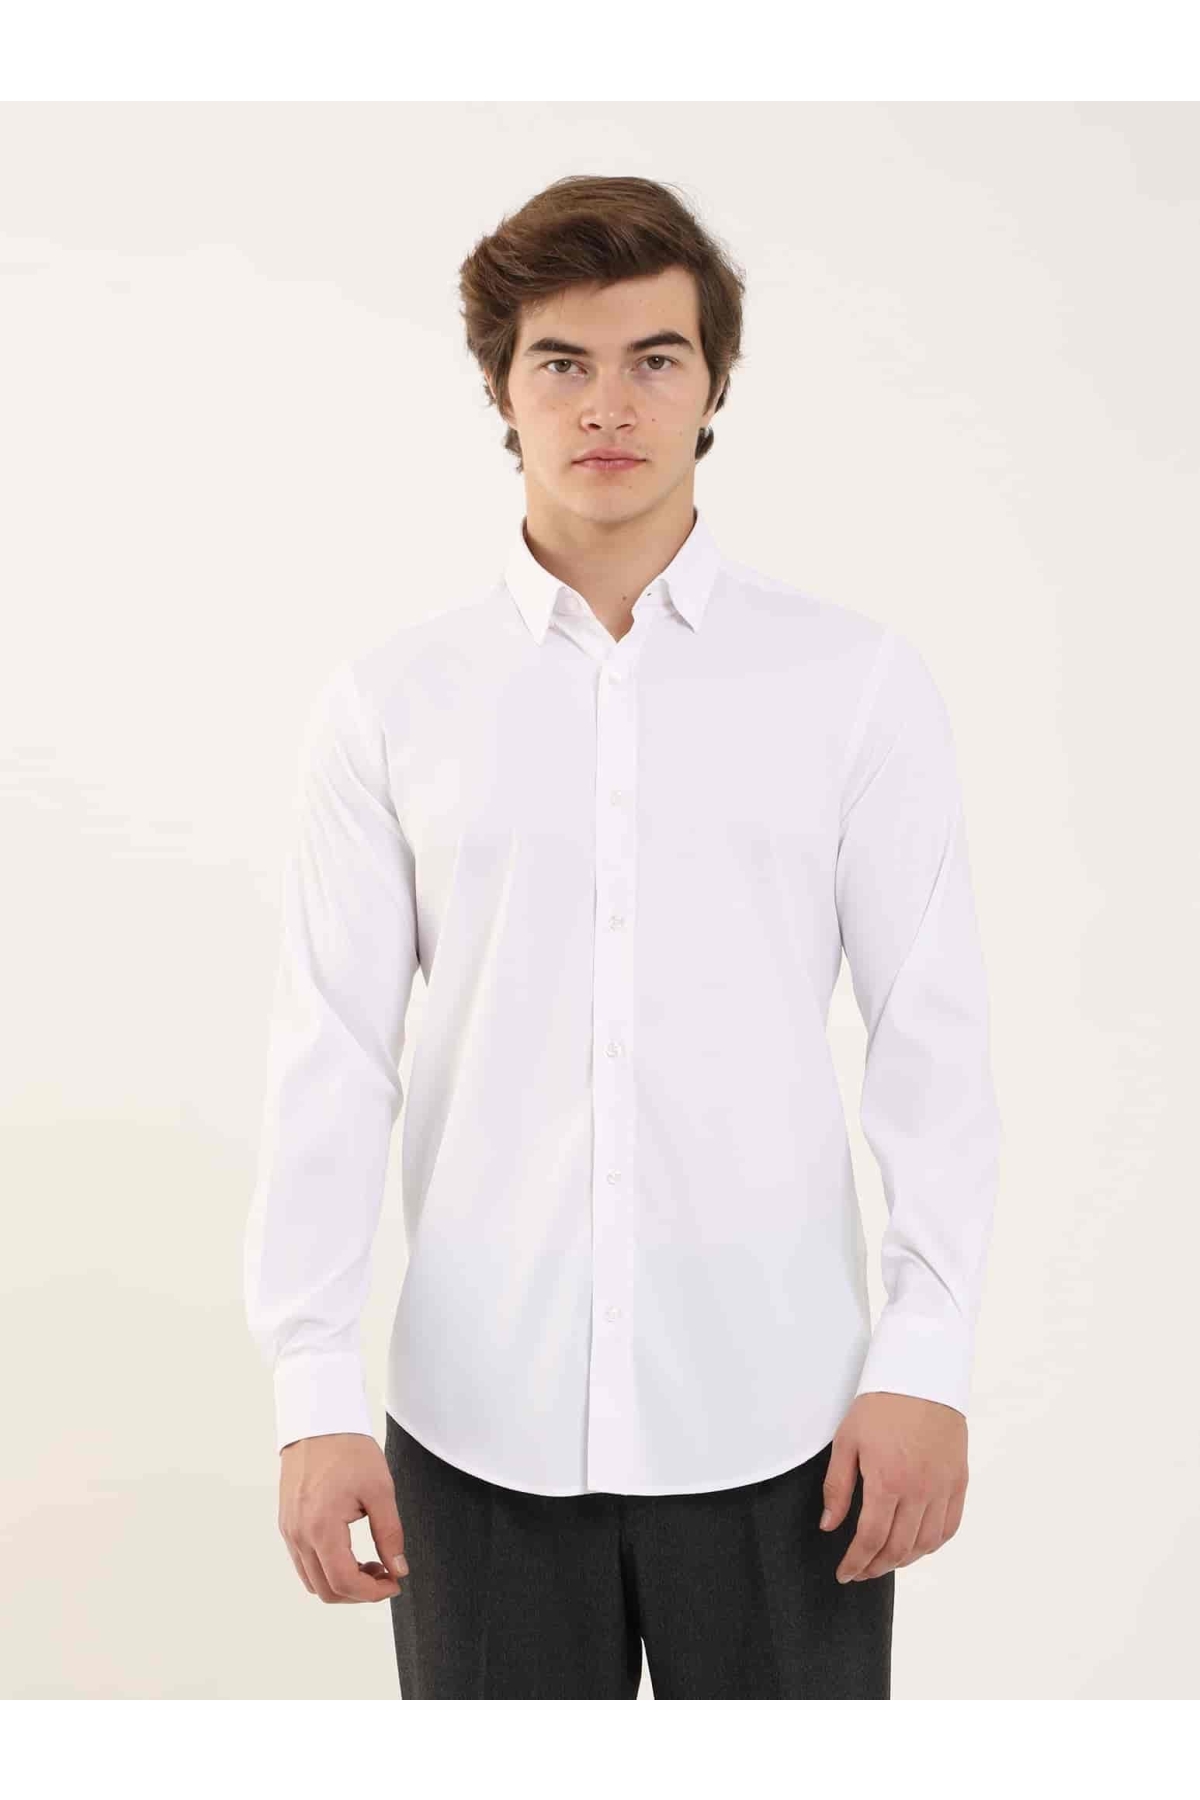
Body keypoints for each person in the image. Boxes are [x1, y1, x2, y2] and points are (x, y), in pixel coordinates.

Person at [242, 174, 1002, 1700]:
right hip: (475, 1431)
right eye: (562, 362)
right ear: (500, 390)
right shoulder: (391, 704)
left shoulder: (852, 685)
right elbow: (332, 1054)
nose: (609, 405)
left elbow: (933, 1039)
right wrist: (312, 1387)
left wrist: (925, 1361)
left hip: (793, 1430)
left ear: (715, 383)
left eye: (656, 358)